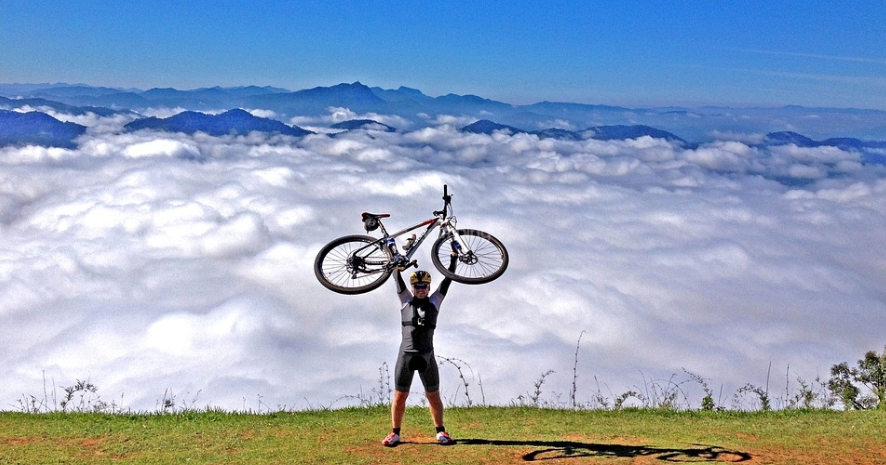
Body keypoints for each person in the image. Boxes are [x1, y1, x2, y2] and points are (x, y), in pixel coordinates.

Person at [382, 257, 457, 447]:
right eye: (417, 286)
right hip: (406, 356)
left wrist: (453, 259)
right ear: (412, 287)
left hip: (426, 356)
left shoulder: (435, 302)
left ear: (429, 287)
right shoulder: (405, 300)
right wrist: (394, 262)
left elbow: (448, 279)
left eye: (424, 286)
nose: (421, 289)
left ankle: (441, 432)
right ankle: (395, 433)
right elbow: (396, 276)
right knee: (400, 396)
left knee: (433, 395)